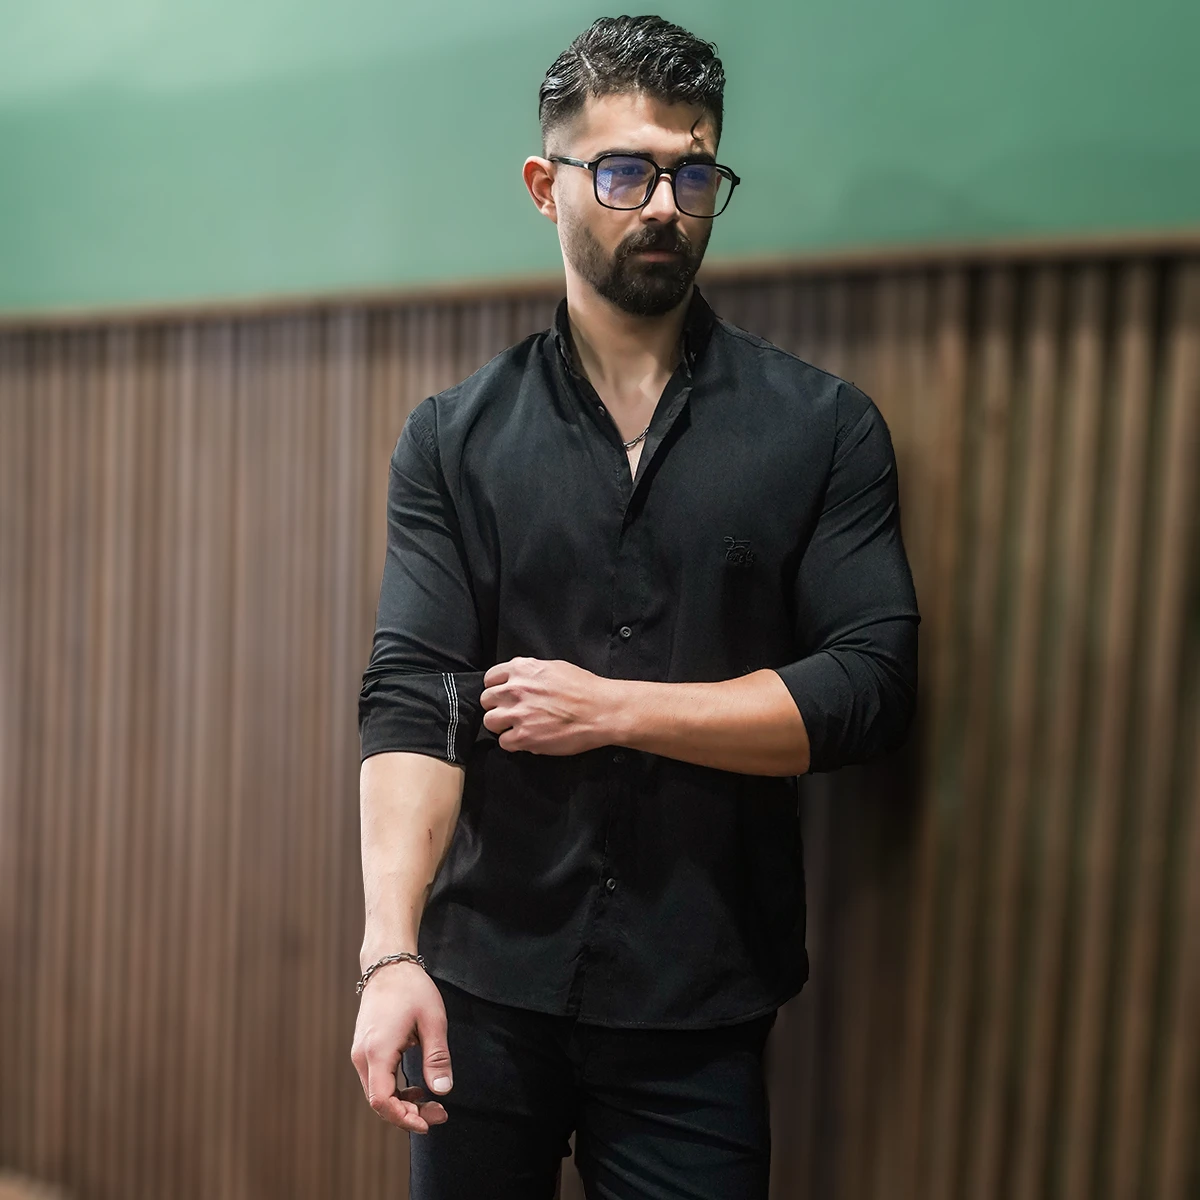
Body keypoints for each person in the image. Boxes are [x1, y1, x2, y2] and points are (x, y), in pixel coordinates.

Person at [350, 15, 919, 1199]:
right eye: (625, 172)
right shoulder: (452, 439)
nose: (665, 205)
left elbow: (868, 690)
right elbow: (415, 698)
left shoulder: (822, 430)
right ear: (544, 185)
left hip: (699, 1001)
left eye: (692, 174)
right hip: (482, 982)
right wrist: (391, 952)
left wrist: (616, 710)